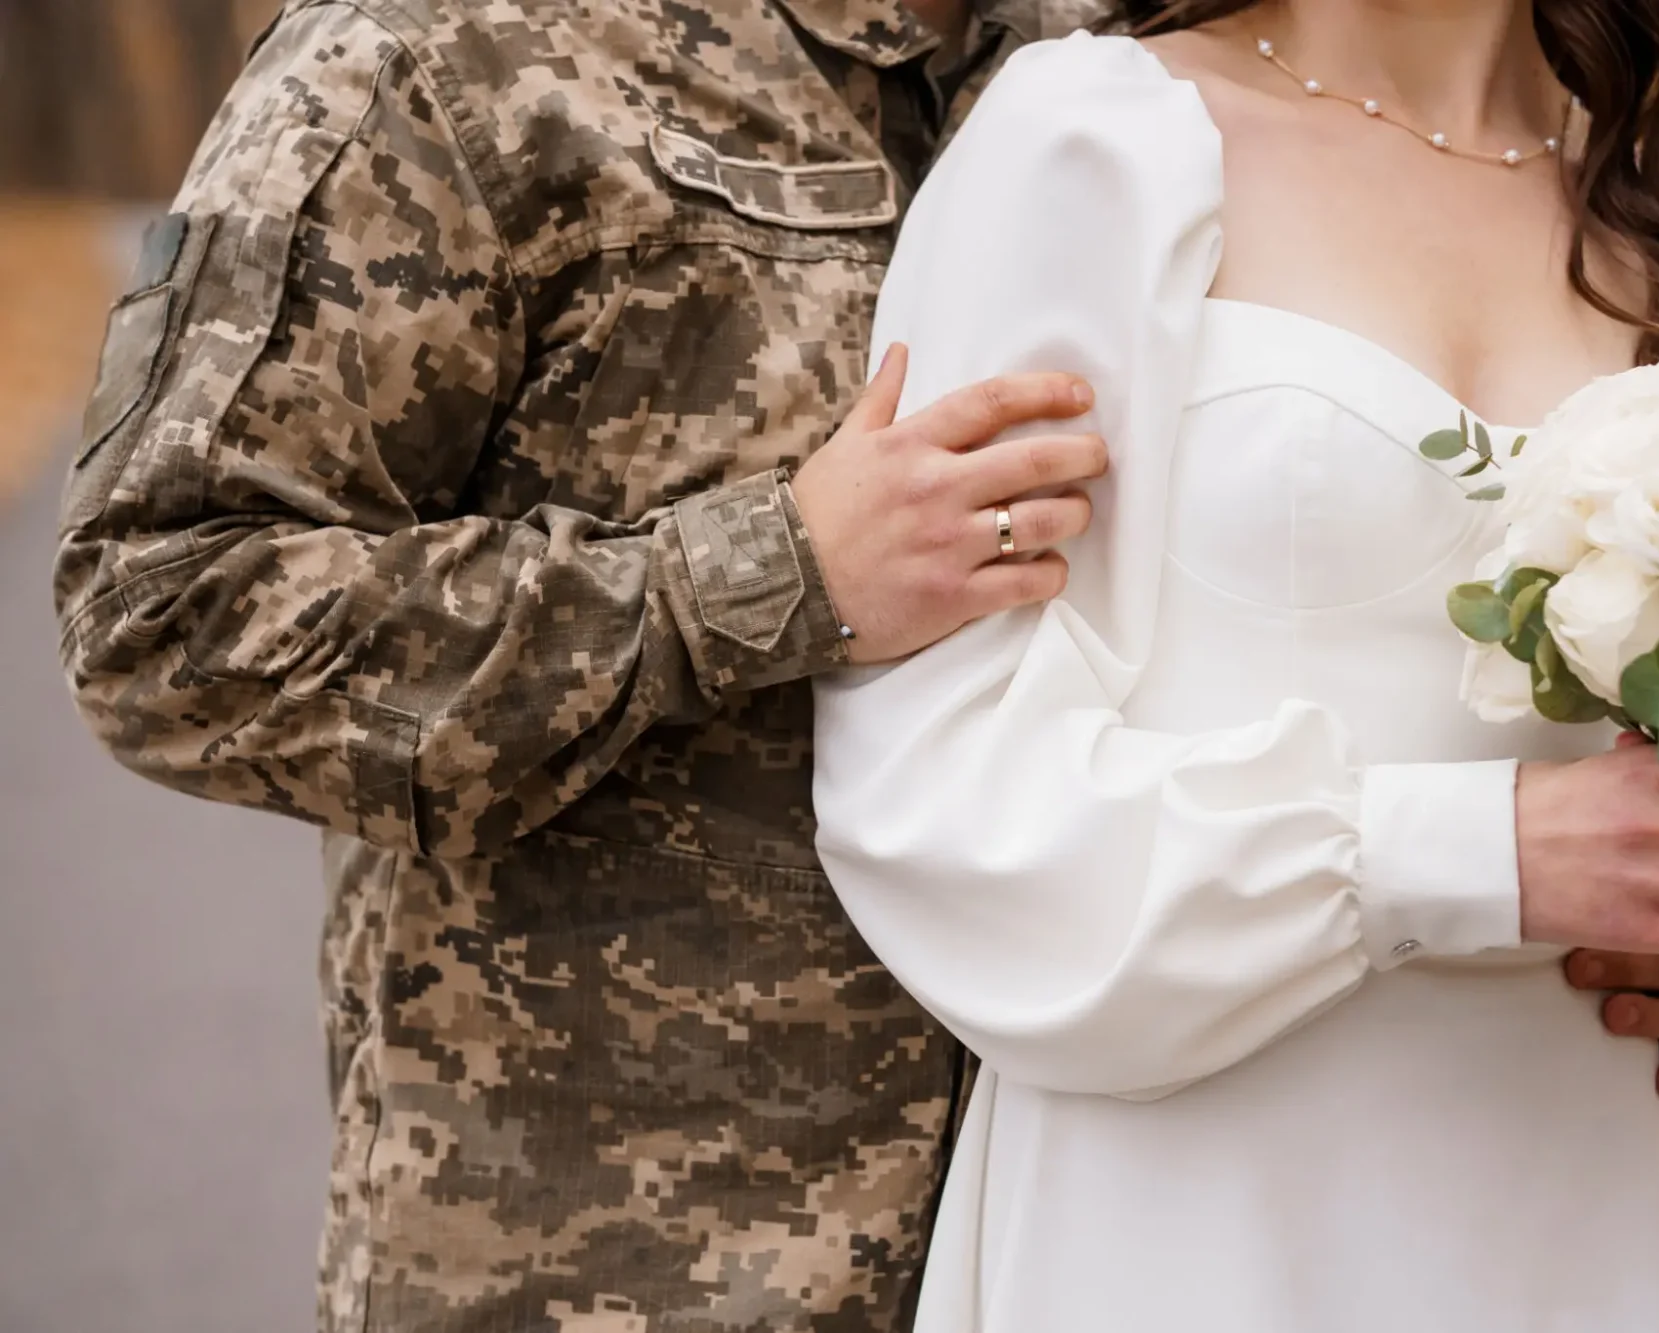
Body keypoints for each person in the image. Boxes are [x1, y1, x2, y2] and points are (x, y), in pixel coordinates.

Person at [808, 4, 1659, 1330]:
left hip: (1576, 1221)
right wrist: (1481, 851)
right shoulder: (1094, 144)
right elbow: (940, 791)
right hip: (1185, 1216)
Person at [52, 1, 1117, 1329]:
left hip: (1067, 1231)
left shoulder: (1118, 55)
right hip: (605, 1267)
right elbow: (160, 618)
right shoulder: (446, 53)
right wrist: (772, 575)